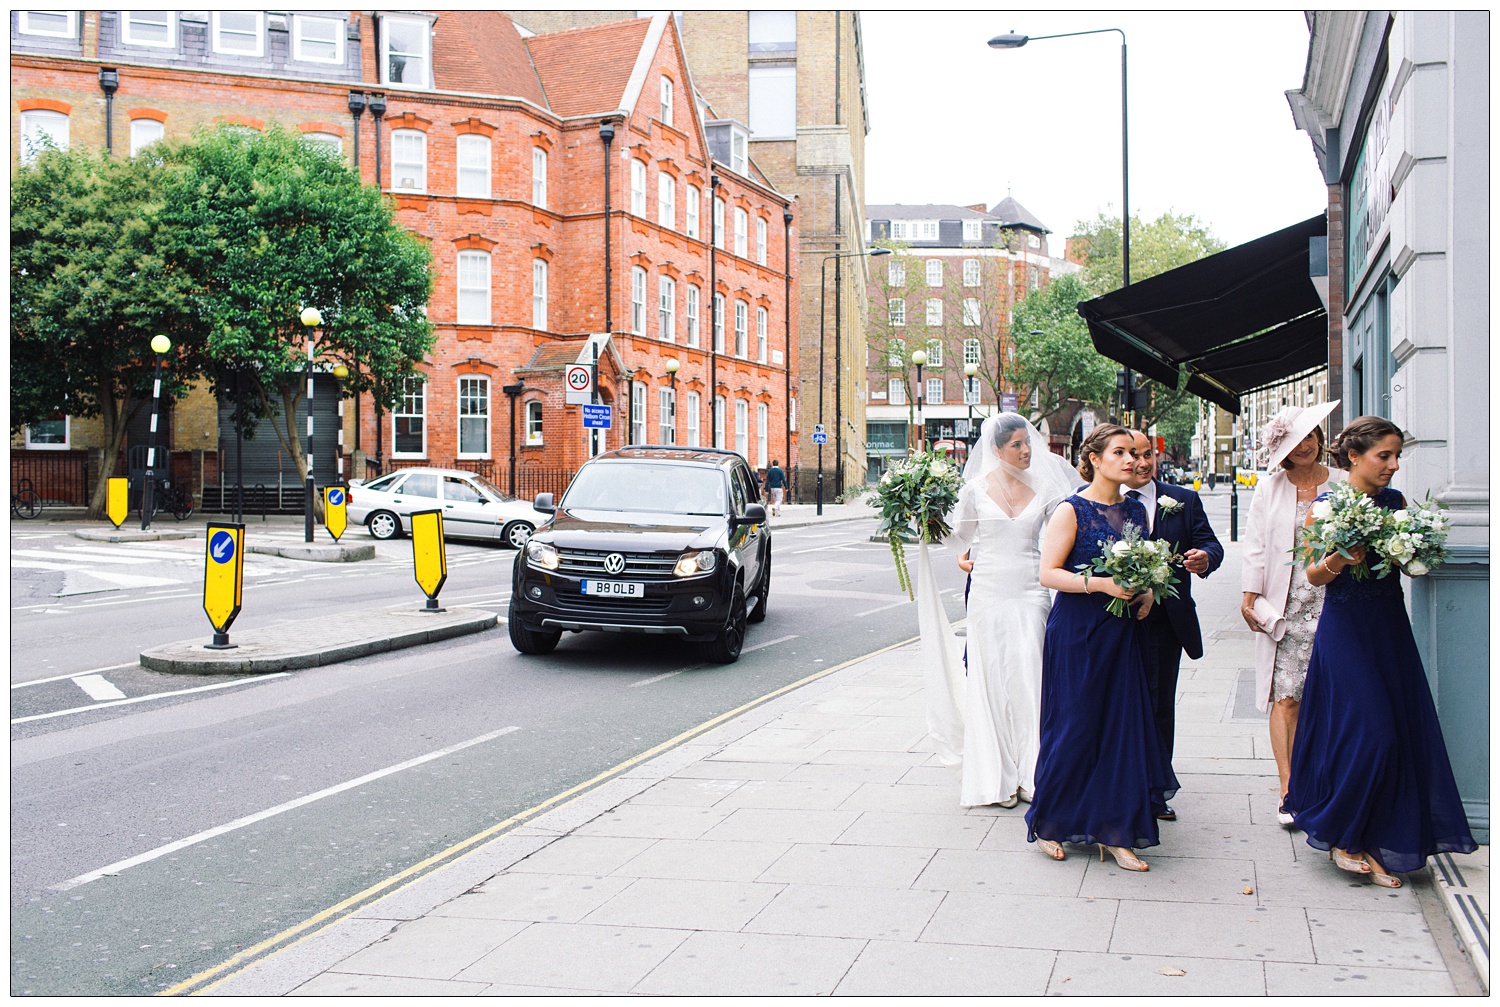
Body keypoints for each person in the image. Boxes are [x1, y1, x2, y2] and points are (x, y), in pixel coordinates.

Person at [1284, 416, 1476, 887]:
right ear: (1354, 456)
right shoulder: (1326, 506)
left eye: (1396, 457)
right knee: (1372, 733)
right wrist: (1340, 558)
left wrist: (1414, 550)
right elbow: (1312, 576)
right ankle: (1344, 837)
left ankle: (1377, 837)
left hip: (1389, 627)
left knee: (1399, 731)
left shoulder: (1394, 503)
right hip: (1346, 629)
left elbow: (1409, 570)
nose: (1392, 465)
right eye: (1383, 456)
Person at [1026, 424, 1178, 871]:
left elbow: (1144, 565)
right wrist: (1102, 583)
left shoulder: (1135, 511)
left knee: (1121, 726)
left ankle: (1116, 831)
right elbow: (1049, 574)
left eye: (1135, 453)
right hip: (1078, 632)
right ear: (1094, 458)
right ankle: (1050, 822)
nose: (1133, 460)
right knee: (1075, 725)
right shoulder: (1070, 510)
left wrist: (1148, 591)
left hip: (1122, 632)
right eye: (1121, 452)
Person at [934, 414, 1078, 808]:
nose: (1026, 450)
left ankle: (1035, 775)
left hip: (1032, 591)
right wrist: (926, 516)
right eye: (1016, 444)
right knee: (992, 680)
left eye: (1027, 442)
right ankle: (998, 778)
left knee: (1032, 679)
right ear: (997, 450)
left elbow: (1067, 537)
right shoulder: (976, 490)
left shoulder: (1047, 488)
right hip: (988, 593)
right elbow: (958, 539)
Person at [1239, 401, 1343, 826]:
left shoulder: (1342, 483)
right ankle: (1289, 789)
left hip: (1336, 600)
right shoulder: (1270, 488)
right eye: (1296, 440)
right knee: (1286, 697)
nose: (1306, 445)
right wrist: (1250, 597)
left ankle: (1330, 783)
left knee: (1334, 695)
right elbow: (1257, 547)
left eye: (1311, 437)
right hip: (1287, 605)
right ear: (1282, 448)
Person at [1124, 431, 1223, 821]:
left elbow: (1211, 545)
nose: (1144, 463)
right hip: (1114, 622)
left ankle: (1155, 790)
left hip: (1166, 622)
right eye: (1134, 455)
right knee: (1119, 704)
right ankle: (1120, 783)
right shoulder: (1095, 500)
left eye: (1149, 454)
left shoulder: (1182, 500)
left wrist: (1205, 558)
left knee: (1159, 705)